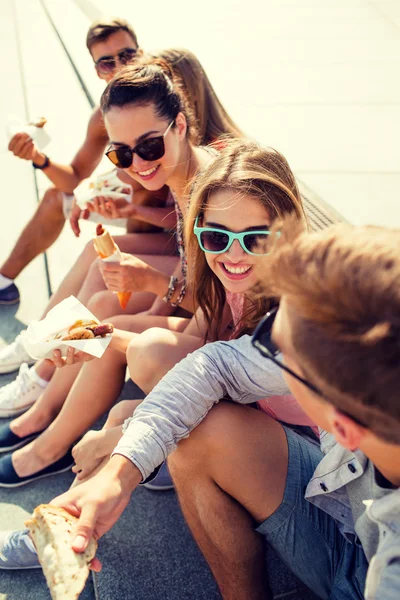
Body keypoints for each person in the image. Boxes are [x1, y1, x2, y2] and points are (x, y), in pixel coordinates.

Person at [2, 221, 395, 599]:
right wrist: (121, 473)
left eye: (275, 347)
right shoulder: (361, 392)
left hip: (357, 573)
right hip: (348, 513)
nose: (260, 351)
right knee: (195, 415)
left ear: (342, 428)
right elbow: (215, 365)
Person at [0, 58, 221, 485]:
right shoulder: (183, 178)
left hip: (234, 346)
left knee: (106, 328)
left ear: (179, 125)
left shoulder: (212, 192)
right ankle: (44, 417)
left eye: (149, 146)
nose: (137, 163)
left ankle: (48, 442)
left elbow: (228, 310)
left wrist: (154, 283)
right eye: (120, 152)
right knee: (102, 315)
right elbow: (202, 282)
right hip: (210, 320)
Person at [68, 139, 315, 489]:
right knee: (128, 400)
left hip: (305, 451)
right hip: (252, 414)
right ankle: (66, 525)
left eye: (255, 239)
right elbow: (201, 344)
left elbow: (213, 385)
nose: (233, 254)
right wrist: (95, 340)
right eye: (216, 237)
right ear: (199, 230)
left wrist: (121, 438)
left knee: (129, 413)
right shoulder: (239, 281)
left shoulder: (293, 310)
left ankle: (70, 510)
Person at [1, 17, 171, 308]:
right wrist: (38, 158)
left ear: (141, 53)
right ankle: (3, 281)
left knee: (137, 184)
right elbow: (76, 177)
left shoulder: (166, 96)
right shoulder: (103, 115)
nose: (120, 66)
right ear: (97, 71)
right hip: (138, 208)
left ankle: (134, 281)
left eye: (127, 55)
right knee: (58, 198)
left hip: (174, 217)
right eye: (107, 62)